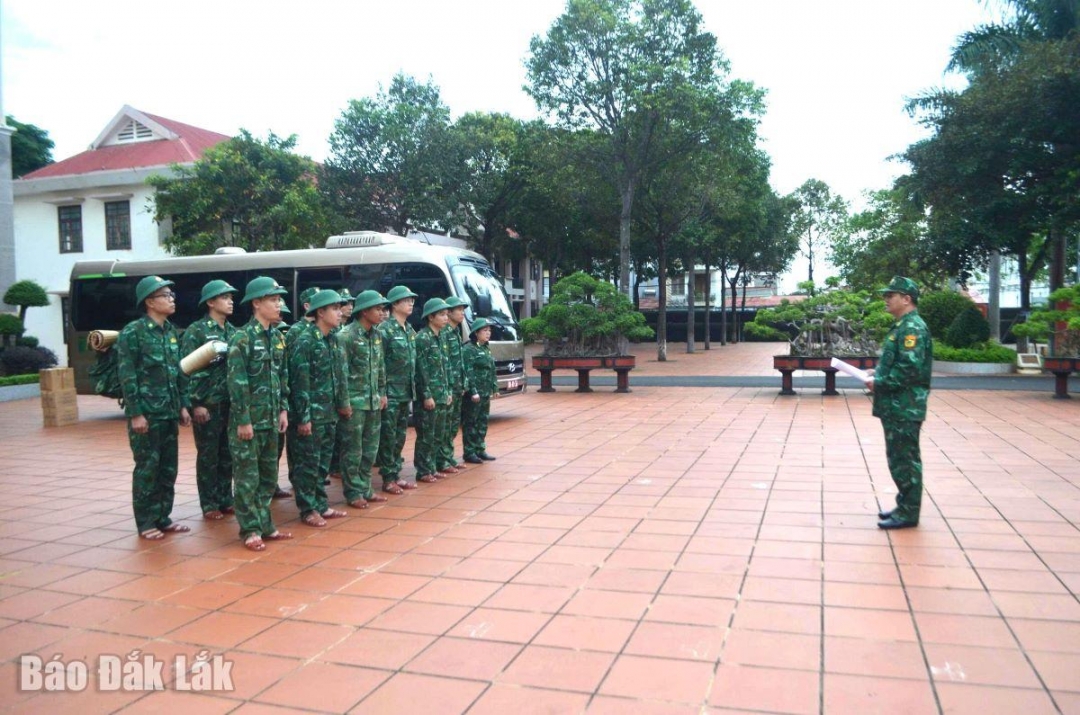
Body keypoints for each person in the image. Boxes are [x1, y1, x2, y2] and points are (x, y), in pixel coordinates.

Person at [117, 276, 192, 540]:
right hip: (147, 414)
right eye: (165, 296)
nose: (171, 300)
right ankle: (146, 521)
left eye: (172, 295)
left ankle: (163, 516)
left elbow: (178, 372)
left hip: (169, 412)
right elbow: (128, 377)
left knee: (168, 468)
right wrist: (136, 413)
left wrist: (183, 405)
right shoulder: (133, 333)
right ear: (150, 301)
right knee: (148, 467)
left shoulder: (171, 331)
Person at [228, 276, 292, 551]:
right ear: (256, 303)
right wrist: (243, 420)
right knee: (247, 477)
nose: (279, 304)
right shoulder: (241, 338)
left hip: (270, 420)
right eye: (273, 299)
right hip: (249, 422)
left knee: (268, 476)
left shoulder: (277, 337)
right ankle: (250, 529)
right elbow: (237, 383)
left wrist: (283, 409)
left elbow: (282, 377)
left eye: (279, 299)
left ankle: (265, 523)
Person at [867, 276, 933, 530]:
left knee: (905, 459)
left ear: (906, 299)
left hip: (905, 406)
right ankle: (904, 505)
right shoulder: (903, 325)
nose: (886, 299)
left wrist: (880, 382)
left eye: (891, 295)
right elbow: (900, 364)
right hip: (897, 405)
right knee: (898, 457)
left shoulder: (912, 328)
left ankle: (908, 512)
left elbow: (909, 369)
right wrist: (878, 374)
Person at [287, 289, 351, 527]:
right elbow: (299, 381)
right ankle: (308, 509)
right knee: (307, 464)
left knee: (322, 463)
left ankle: (321, 504)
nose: (340, 312)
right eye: (334, 308)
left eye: (339, 307)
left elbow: (339, 376)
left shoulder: (333, 339)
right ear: (320, 312)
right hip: (310, 415)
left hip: (328, 413)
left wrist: (342, 405)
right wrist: (303, 417)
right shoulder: (305, 340)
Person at [181, 279, 239, 520]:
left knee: (228, 454)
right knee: (208, 455)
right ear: (210, 302)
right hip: (208, 404)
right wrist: (196, 403)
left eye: (231, 297)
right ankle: (209, 503)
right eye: (225, 297)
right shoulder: (196, 331)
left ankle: (226, 498)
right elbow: (186, 369)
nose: (230, 301)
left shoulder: (233, 332)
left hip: (229, 403)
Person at [337, 290, 390, 509]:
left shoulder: (377, 335)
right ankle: (353, 492)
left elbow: (380, 367)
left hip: (373, 401)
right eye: (377, 309)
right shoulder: (346, 336)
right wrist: (344, 402)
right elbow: (341, 373)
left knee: (370, 448)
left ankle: (366, 488)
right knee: (353, 449)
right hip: (355, 403)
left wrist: (382, 392)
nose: (382, 313)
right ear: (364, 311)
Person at [376, 285, 420, 494]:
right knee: (388, 437)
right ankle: (388, 478)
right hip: (390, 394)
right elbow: (378, 363)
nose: (411, 303)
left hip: (405, 392)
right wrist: (382, 391)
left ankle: (395, 474)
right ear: (395, 304)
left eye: (412, 300)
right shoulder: (384, 330)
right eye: (406, 300)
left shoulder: (409, 329)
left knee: (400, 436)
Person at [414, 298, 452, 483]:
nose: (446, 318)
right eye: (442, 314)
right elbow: (421, 370)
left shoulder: (442, 336)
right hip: (429, 396)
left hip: (442, 393)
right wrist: (426, 395)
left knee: (438, 433)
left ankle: (433, 466)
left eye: (446, 314)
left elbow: (445, 367)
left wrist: (448, 391)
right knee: (426, 435)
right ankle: (423, 470)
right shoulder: (422, 338)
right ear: (431, 317)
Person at [439, 296, 474, 474]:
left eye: (463, 309)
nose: (462, 313)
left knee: (453, 425)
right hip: (448, 386)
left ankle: (448, 457)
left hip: (457, 385)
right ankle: (442, 459)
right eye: (458, 310)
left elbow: (458, 361)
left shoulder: (455, 332)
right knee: (445, 426)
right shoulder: (444, 333)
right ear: (449, 313)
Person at [328, 288, 355, 483]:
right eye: (340, 305)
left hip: (336, 400)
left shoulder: (338, 334)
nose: (348, 308)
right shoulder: (340, 335)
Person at [462, 318, 498, 464]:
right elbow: (468, 371)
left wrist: (494, 387)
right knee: (471, 422)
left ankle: (480, 449)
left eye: (489, 330)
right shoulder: (469, 349)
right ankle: (469, 452)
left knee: (482, 421)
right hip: (474, 394)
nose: (488, 333)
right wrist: (473, 391)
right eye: (485, 330)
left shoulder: (485, 348)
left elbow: (492, 370)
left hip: (485, 392)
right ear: (476, 333)